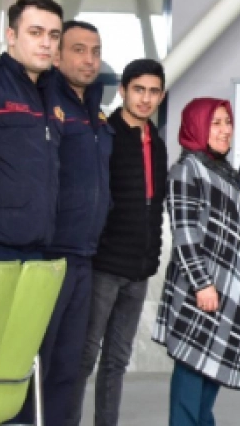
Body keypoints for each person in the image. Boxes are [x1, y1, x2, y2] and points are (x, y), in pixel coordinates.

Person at [67, 58, 168, 426]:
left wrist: (152, 255)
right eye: (138, 89)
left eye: (153, 91)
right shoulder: (104, 136)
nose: (145, 98)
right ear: (123, 90)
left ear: (161, 96)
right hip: (105, 266)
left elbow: (154, 205)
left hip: (139, 269)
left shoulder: (157, 144)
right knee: (85, 356)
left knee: (117, 360)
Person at [154, 99, 240, 426]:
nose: (225, 130)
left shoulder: (224, 170)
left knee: (210, 374)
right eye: (215, 123)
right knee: (191, 373)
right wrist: (201, 283)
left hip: (227, 288)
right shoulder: (187, 169)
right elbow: (184, 232)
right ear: (197, 126)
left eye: (227, 122)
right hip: (201, 289)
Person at [35, 20, 113, 426]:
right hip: (50, 255)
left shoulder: (96, 111)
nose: (89, 59)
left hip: (85, 256)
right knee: (40, 362)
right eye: (79, 50)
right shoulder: (45, 100)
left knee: (70, 363)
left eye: (95, 51)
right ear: (58, 55)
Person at [0, 0, 64, 262]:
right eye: (35, 33)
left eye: (54, 35)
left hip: (40, 246)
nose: (46, 43)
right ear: (11, 36)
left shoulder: (54, 91)